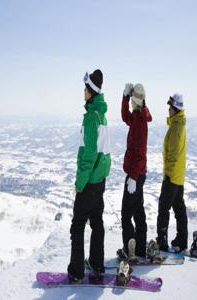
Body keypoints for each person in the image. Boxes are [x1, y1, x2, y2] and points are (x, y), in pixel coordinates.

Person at [67, 69, 111, 283]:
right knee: (96, 222)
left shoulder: (92, 117)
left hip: (90, 181)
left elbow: (90, 153)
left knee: (77, 226)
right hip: (99, 179)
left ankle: (76, 272)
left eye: (85, 88)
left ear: (91, 91)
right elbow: (104, 152)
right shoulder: (101, 114)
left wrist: (80, 182)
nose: (83, 92)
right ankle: (96, 264)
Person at [120, 83, 152, 258]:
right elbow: (125, 117)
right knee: (138, 210)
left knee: (126, 214)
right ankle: (139, 248)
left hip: (136, 174)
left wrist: (132, 177)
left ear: (137, 101)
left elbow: (140, 153)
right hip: (139, 173)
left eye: (132, 101)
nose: (131, 104)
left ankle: (129, 248)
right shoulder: (137, 116)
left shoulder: (139, 122)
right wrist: (124, 97)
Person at [156, 93, 187, 252]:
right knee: (179, 208)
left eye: (171, 107)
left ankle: (161, 241)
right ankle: (182, 240)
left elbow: (173, 154)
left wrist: (167, 175)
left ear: (176, 109)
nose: (168, 109)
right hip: (178, 176)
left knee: (163, 208)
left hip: (172, 176)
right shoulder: (178, 124)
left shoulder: (176, 127)